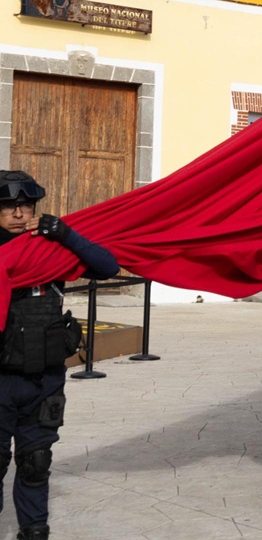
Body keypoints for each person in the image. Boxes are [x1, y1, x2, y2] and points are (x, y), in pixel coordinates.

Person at [0, 170, 119, 540]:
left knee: (36, 463)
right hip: (1, 382)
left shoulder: (52, 248)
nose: (18, 214)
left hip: (45, 380)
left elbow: (108, 266)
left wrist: (67, 235)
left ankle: (34, 532)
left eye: (26, 206)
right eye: (8, 207)